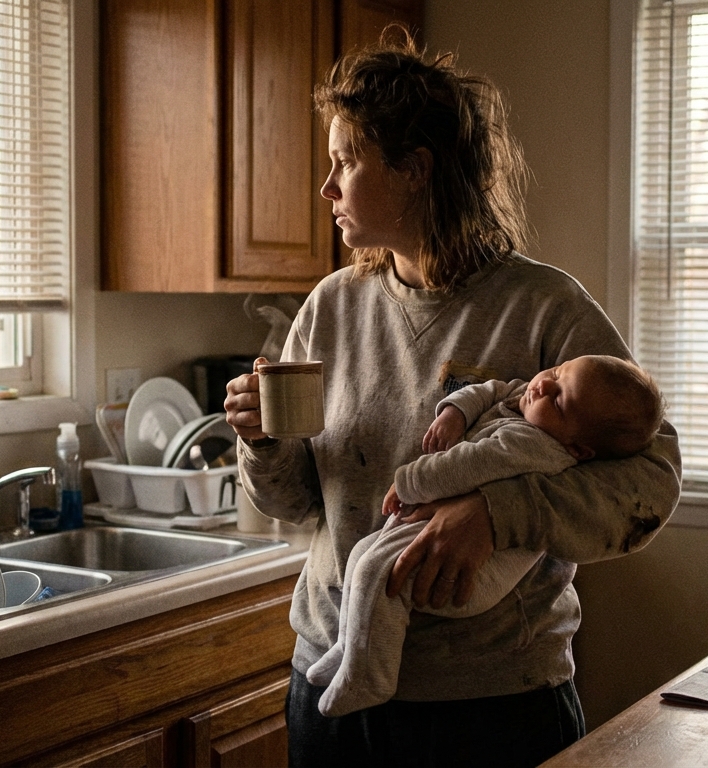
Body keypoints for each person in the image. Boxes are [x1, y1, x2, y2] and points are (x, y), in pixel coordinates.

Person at [224, 34, 682, 768]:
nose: (327, 188)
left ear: (414, 170)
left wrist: (501, 515)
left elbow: (651, 484)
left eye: (346, 161)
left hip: (491, 702)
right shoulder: (329, 308)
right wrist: (261, 439)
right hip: (328, 678)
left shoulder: (545, 309)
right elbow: (296, 502)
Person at [308, 355, 664, 718]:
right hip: (428, 530)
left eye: (557, 400)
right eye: (556, 373)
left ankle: (369, 678)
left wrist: (408, 482)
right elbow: (494, 389)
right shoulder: (529, 401)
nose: (542, 386)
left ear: (578, 449)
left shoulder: (533, 443)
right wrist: (454, 413)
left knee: (378, 576)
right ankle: (350, 648)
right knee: (362, 555)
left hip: (476, 575)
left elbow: (467, 464)